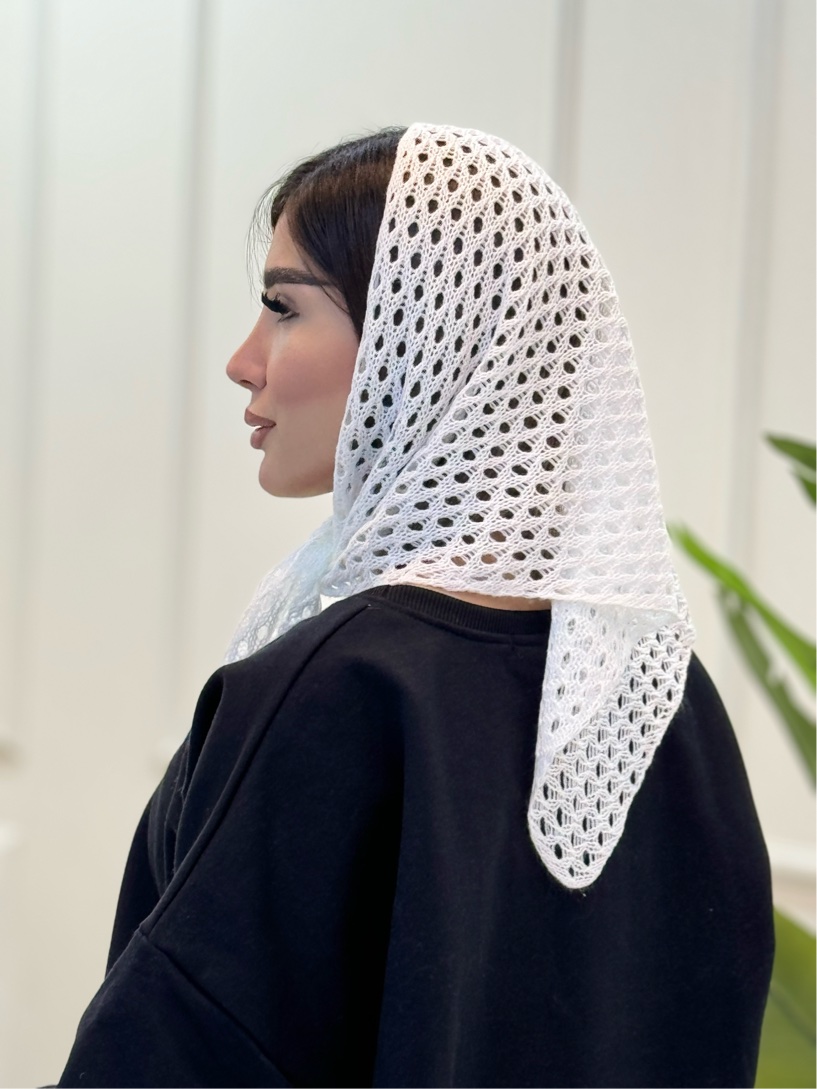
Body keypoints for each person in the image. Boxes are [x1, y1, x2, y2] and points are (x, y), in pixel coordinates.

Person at [55, 123, 774, 1088]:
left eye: (282, 308)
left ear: (426, 336)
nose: (242, 360)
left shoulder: (334, 688)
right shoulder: (662, 696)